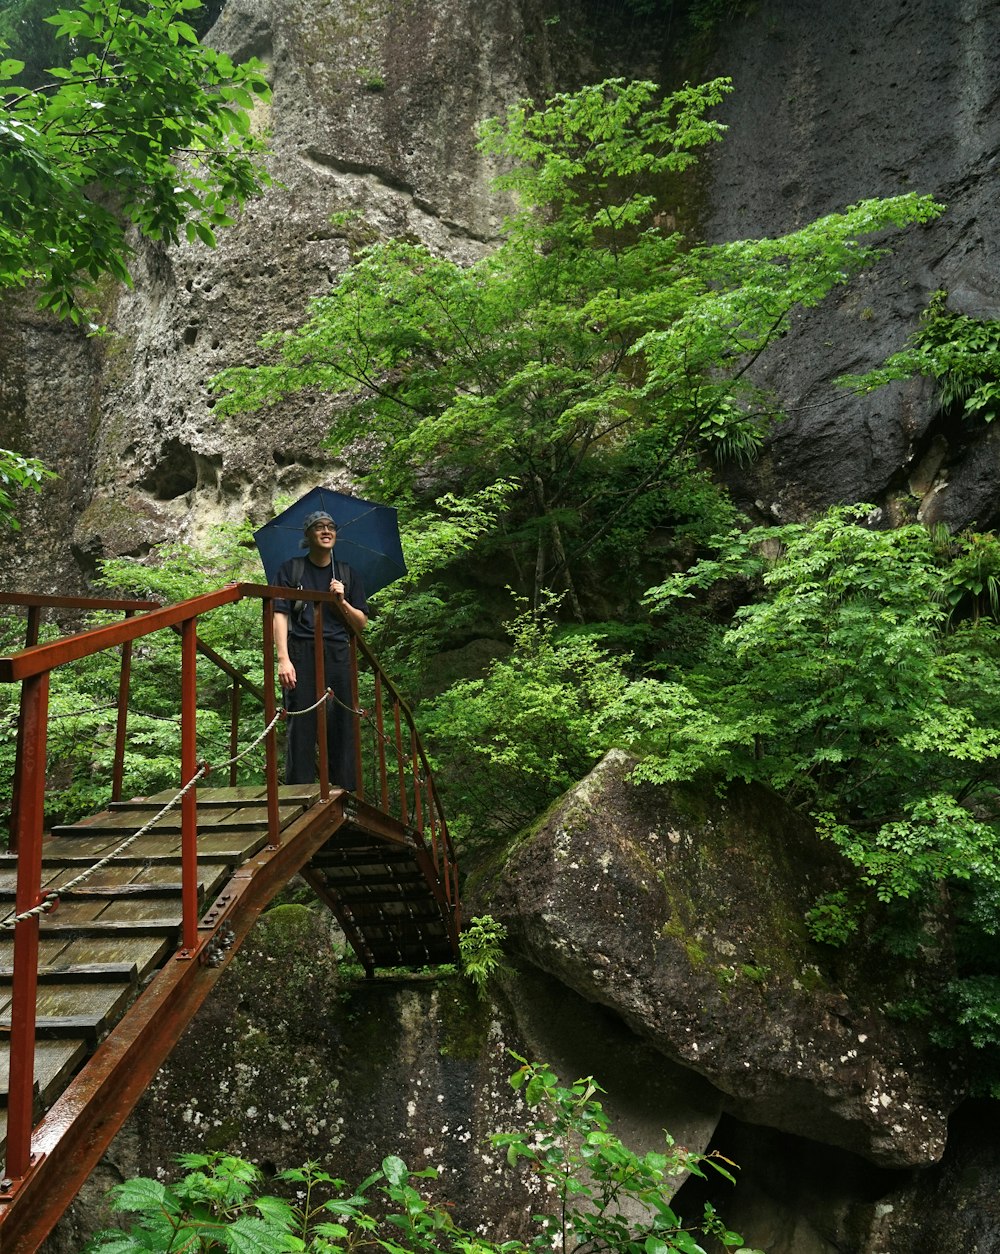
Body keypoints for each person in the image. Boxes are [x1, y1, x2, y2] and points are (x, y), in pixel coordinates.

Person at [273, 509, 369, 788]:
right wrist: (283, 659)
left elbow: (361, 622)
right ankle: (297, 794)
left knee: (343, 722)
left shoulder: (347, 574)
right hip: (301, 651)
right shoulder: (291, 570)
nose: (326, 531)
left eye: (331, 526)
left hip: (338, 652)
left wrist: (341, 601)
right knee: (301, 722)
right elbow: (279, 613)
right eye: (319, 527)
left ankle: (345, 792)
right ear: (308, 534)